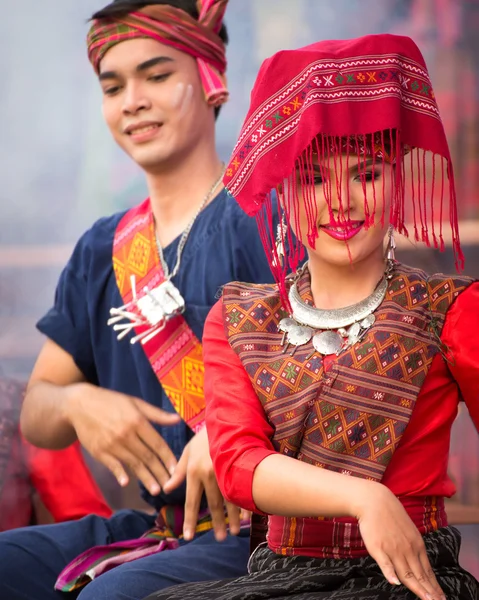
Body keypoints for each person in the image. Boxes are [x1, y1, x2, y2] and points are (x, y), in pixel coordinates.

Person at [144, 34, 479, 600]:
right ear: (283, 190)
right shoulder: (238, 318)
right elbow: (238, 463)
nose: (340, 202)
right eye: (314, 180)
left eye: (366, 174)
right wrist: (364, 497)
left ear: (396, 181)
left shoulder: (451, 308)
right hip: (278, 577)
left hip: (403, 576)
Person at [0, 1, 277, 599]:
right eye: (113, 85)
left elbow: (336, 357)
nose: (132, 101)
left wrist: (235, 430)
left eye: (156, 76)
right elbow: (38, 415)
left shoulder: (263, 214)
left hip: (265, 529)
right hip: (164, 529)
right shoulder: (103, 249)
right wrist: (79, 403)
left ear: (211, 82)